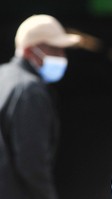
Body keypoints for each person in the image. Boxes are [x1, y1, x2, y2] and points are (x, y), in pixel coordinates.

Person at [0, 14, 81, 199]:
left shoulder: (3, 77)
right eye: (54, 49)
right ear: (29, 51)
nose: (62, 57)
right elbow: (31, 163)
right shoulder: (30, 90)